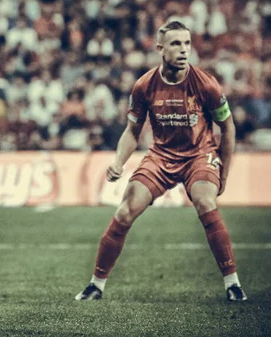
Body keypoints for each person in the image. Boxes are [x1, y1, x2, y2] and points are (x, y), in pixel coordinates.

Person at [75, 21, 247, 302]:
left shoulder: (206, 84)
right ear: (160, 49)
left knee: (205, 202)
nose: (183, 50)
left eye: (187, 43)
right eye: (176, 44)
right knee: (125, 211)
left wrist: (224, 173)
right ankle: (96, 285)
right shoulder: (144, 85)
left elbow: (227, 127)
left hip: (198, 155)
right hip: (161, 156)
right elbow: (132, 131)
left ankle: (233, 284)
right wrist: (119, 162)